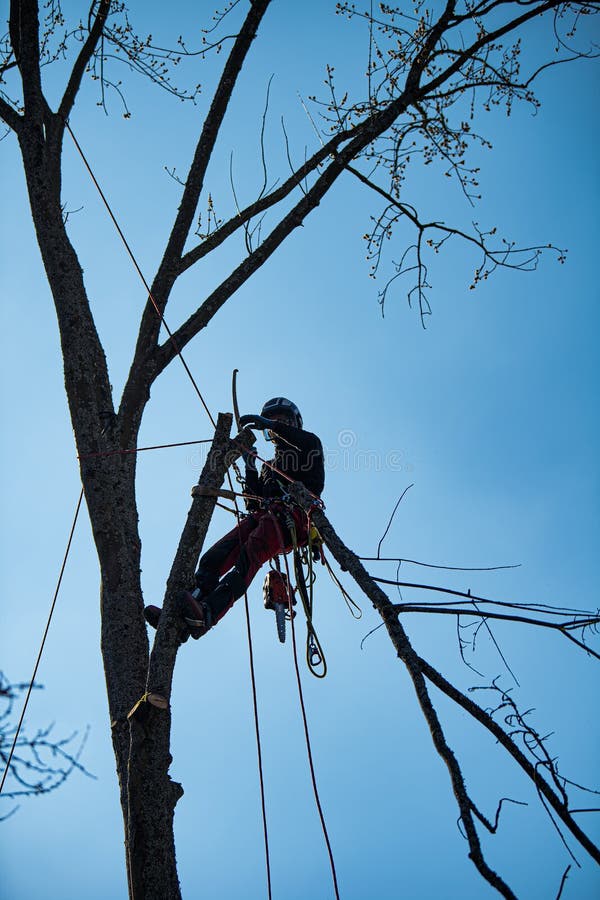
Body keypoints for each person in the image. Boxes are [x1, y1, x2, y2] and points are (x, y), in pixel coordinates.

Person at [144, 397, 325, 639]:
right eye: (273, 421)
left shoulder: (309, 446)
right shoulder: (269, 466)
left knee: (249, 557)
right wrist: (250, 466)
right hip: (266, 515)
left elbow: (306, 450)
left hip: (292, 519)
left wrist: (269, 425)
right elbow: (253, 501)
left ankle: (208, 614)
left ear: (293, 425)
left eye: (282, 421)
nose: (276, 425)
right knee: (214, 557)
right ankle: (186, 610)